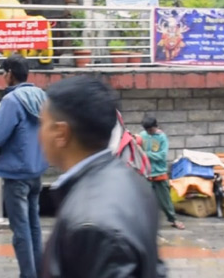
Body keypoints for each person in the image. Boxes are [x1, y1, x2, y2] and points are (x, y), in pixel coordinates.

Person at [39, 76, 161, 278]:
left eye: (42, 123)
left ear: (61, 133)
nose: (38, 133)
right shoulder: (133, 181)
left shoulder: (90, 227)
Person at [0, 54, 48, 278]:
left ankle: (28, 274)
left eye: (3, 72)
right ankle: (37, 271)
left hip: (16, 173)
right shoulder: (41, 95)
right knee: (34, 225)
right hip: (36, 169)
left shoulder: (12, 100)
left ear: (9, 74)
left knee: (20, 230)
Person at [140, 116, 185, 230]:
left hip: (159, 173)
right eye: (147, 130)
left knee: (165, 199)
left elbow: (162, 155)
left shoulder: (162, 138)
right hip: (145, 173)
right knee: (143, 199)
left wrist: (146, 154)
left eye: (150, 130)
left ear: (156, 126)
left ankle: (173, 219)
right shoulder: (142, 135)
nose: (148, 132)